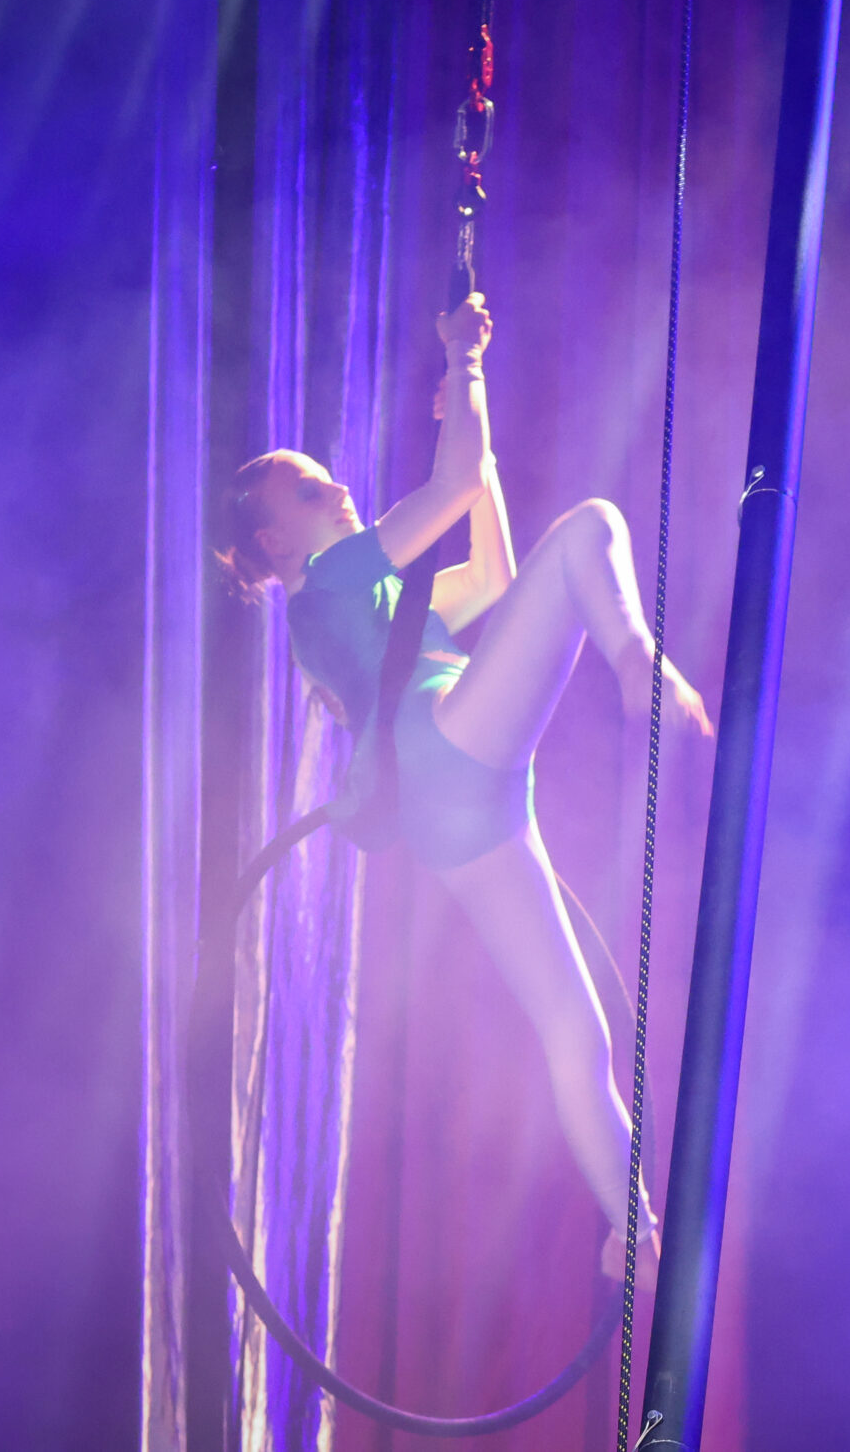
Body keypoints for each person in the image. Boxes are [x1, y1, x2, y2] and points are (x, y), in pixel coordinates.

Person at [215, 290, 712, 1265]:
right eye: (310, 493)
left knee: (572, 1030)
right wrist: (463, 356)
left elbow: (493, 579)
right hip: (447, 748)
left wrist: (475, 458)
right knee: (594, 524)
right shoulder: (333, 580)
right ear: (276, 541)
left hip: (457, 816)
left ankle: (635, 1229)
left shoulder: (352, 602)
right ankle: (637, 662)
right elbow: (449, 488)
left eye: (325, 477)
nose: (337, 489)